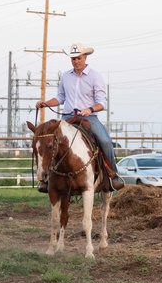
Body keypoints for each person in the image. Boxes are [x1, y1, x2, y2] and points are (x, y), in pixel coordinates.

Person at [34, 42, 125, 192]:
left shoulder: (95, 76)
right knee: (49, 141)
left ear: (85, 57)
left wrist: (90, 109)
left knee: (105, 141)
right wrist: (45, 103)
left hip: (88, 117)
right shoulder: (65, 76)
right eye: (73, 59)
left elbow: (102, 102)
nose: (76, 61)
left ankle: (112, 175)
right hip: (67, 116)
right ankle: (47, 178)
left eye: (78, 58)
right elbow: (60, 98)